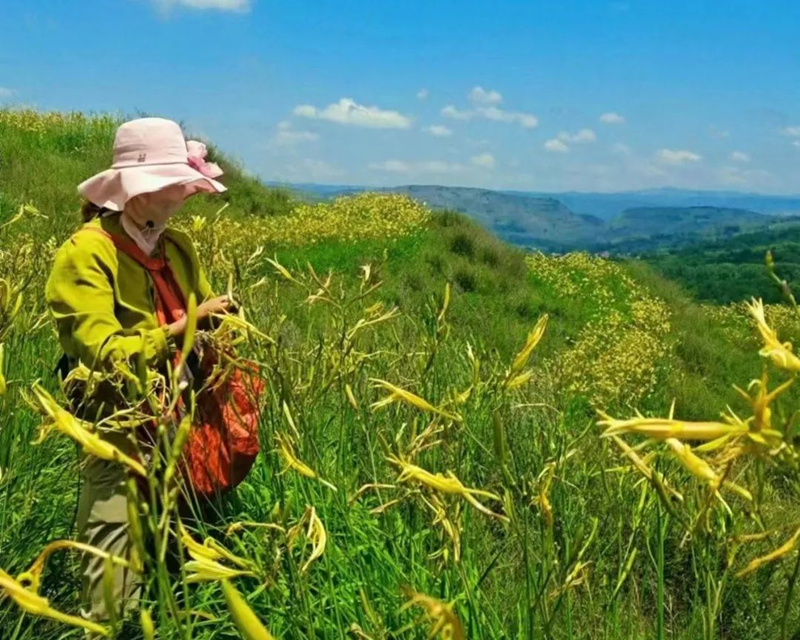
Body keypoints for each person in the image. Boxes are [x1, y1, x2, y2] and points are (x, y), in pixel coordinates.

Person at [45, 117, 233, 626]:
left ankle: (169, 613)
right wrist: (181, 329)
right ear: (136, 188)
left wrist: (220, 330)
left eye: (183, 182)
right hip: (118, 419)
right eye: (171, 182)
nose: (183, 193)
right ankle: (107, 627)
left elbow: (202, 312)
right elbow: (101, 351)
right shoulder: (86, 253)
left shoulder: (176, 247)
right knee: (112, 544)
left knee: (174, 529)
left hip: (182, 408)